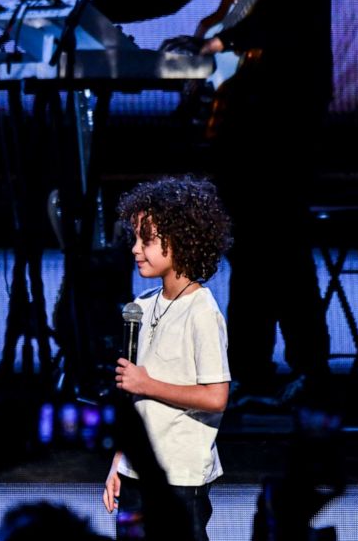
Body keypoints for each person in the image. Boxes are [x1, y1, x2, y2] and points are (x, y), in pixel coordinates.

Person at [93, 0, 334, 403]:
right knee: (247, 243)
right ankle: (251, 367)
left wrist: (220, 40)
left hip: (288, 106)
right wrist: (94, 10)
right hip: (239, 109)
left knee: (282, 235)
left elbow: (292, 15)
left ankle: (309, 367)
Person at [102, 176, 233, 541]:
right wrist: (119, 460)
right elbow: (134, 400)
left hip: (179, 476)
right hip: (136, 470)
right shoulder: (142, 305)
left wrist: (147, 383)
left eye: (147, 240)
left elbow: (215, 397)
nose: (135, 250)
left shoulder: (202, 312)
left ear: (181, 240)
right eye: (135, 239)